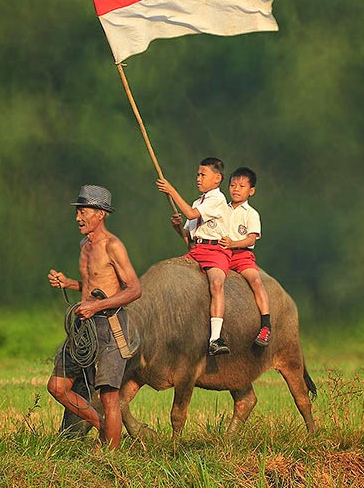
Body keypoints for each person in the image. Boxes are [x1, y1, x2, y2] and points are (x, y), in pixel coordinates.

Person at [46, 184, 142, 450]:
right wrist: (69, 283)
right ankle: (100, 422)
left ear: (100, 214)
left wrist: (96, 308)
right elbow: (93, 284)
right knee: (57, 386)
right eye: (77, 212)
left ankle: (111, 461)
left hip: (110, 326)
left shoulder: (114, 246)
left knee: (109, 396)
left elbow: (134, 289)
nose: (78, 217)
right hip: (83, 326)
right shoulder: (84, 244)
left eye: (83, 212)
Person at [156, 157, 232, 356]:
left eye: (202, 175)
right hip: (196, 250)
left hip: (216, 252)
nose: (198, 178)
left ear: (217, 178)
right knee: (171, 275)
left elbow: (190, 214)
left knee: (216, 283)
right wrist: (177, 227)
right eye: (197, 174)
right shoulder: (199, 202)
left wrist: (171, 190)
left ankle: (215, 338)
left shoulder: (217, 199)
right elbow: (188, 236)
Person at [220, 167, 272, 346]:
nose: (235, 189)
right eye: (233, 185)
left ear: (251, 191)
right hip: (221, 254)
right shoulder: (221, 210)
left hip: (242, 255)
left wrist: (232, 244)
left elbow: (250, 239)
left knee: (256, 280)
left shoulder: (251, 214)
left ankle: (266, 325)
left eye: (241, 186)